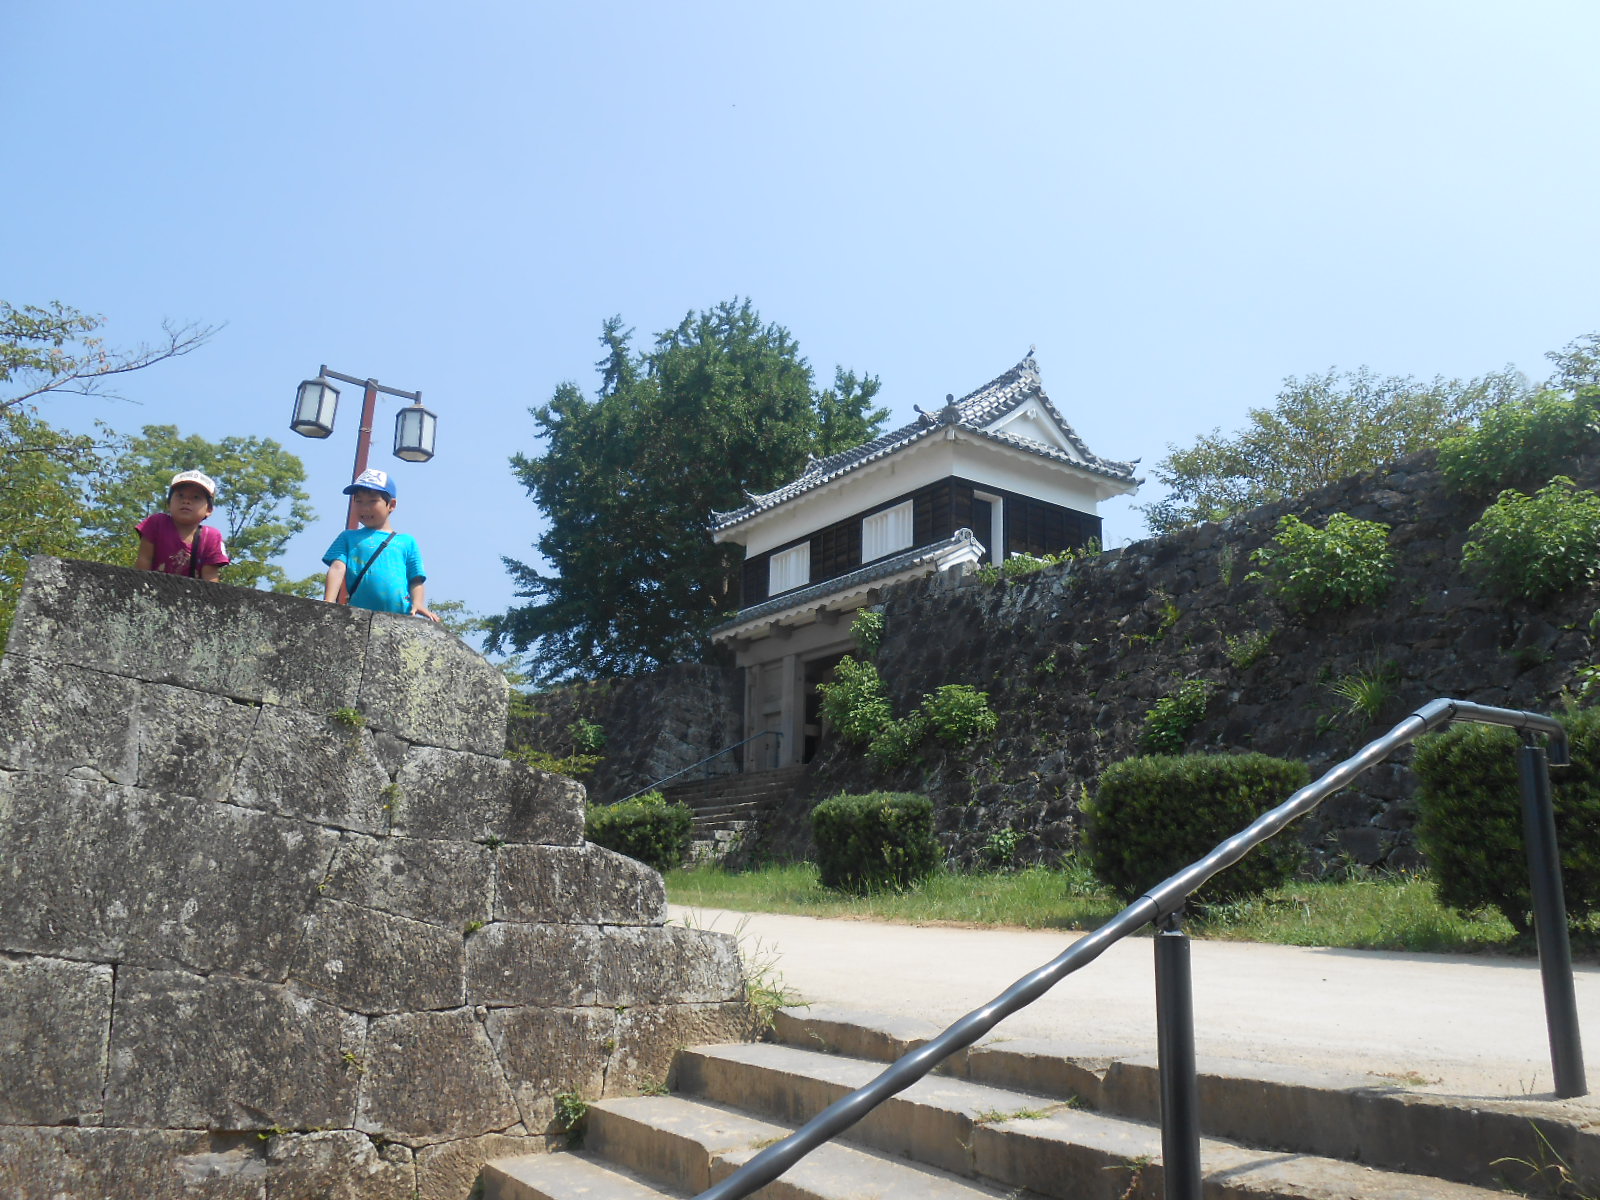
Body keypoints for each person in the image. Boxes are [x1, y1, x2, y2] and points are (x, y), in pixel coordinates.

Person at [321, 468, 437, 620]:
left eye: (373, 501)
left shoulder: (406, 541)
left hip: (400, 616)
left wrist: (418, 603)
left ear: (391, 505)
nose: (365, 508)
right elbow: (337, 568)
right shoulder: (348, 537)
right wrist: (329, 602)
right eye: (358, 501)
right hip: (359, 614)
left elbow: (416, 579)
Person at [136, 469, 230, 580]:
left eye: (196, 497)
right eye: (180, 495)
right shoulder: (157, 523)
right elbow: (144, 560)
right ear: (169, 503)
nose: (186, 501)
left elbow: (210, 577)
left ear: (209, 510)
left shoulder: (211, 537)